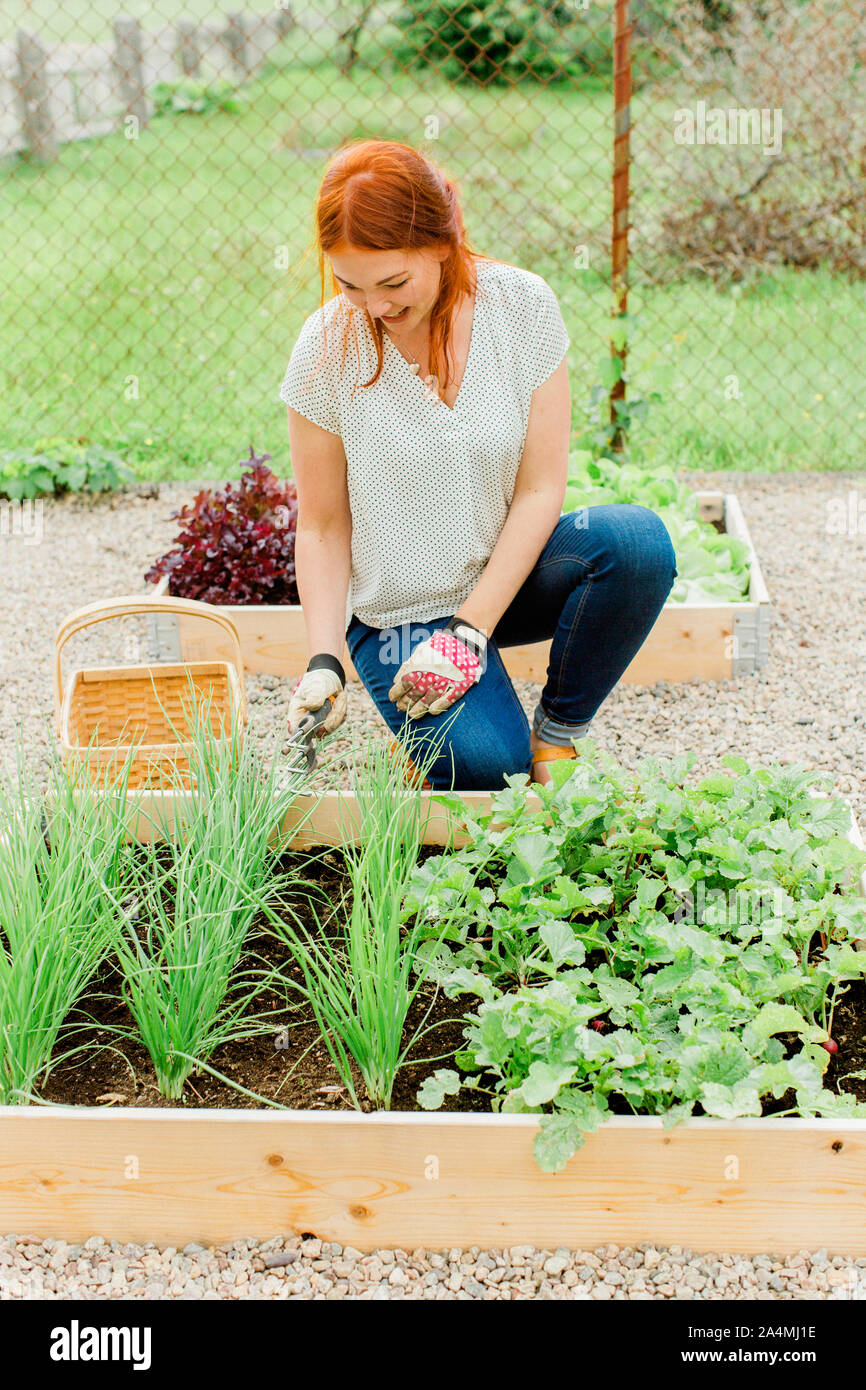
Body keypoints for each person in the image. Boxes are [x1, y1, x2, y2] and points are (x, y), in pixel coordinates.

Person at [280, 138, 676, 791]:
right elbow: (321, 527)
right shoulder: (326, 351)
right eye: (350, 285)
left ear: (442, 243)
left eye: (393, 284)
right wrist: (324, 659)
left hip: (505, 580)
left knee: (635, 545)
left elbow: (541, 488)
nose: (374, 308)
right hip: (398, 615)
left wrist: (470, 634)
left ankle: (557, 736)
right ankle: (443, 737)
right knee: (492, 772)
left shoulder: (521, 308)